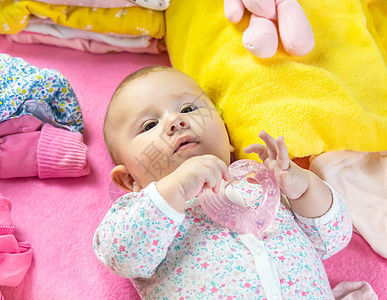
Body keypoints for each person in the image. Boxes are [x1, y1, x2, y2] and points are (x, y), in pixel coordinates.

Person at [93, 66, 352, 299]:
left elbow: (333, 238)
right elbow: (123, 256)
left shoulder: (264, 186)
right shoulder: (140, 212)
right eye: (150, 125)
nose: (175, 121)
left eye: (188, 109)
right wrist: (176, 188)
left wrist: (302, 186)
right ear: (130, 179)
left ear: (227, 135)